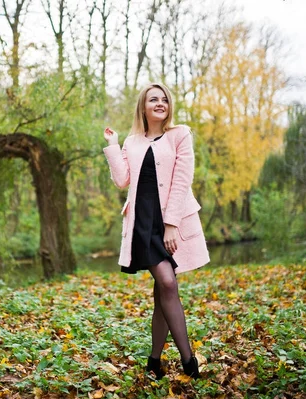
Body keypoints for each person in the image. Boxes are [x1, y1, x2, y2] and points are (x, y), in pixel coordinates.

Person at [102, 83, 210, 379]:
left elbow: (182, 179)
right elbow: (122, 180)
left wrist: (172, 224)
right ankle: (190, 363)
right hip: (142, 224)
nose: (160, 103)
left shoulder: (180, 135)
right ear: (144, 107)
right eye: (153, 99)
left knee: (163, 289)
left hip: (168, 221)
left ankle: (154, 361)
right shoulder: (132, 141)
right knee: (168, 283)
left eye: (164, 99)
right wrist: (112, 147)